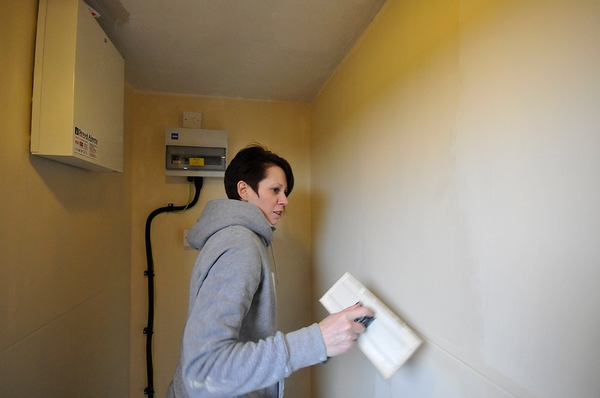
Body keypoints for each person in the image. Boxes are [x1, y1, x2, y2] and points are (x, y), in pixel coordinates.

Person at [166, 144, 373, 398]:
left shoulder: (235, 237)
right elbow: (205, 371)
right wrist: (317, 341)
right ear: (244, 190)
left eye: (285, 192)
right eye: (275, 190)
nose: (284, 201)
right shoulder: (240, 245)